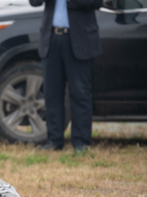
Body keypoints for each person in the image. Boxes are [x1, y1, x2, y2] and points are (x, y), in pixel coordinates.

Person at [30, 0, 103, 152]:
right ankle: (54, 140)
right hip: (51, 38)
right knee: (52, 93)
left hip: (79, 39)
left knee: (79, 93)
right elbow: (34, 2)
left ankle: (81, 142)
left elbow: (96, 2)